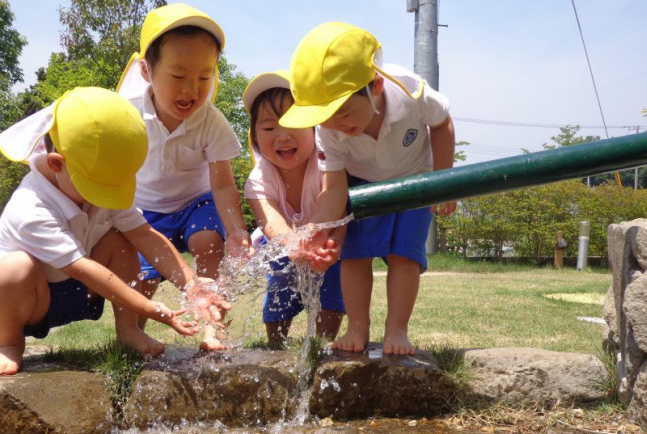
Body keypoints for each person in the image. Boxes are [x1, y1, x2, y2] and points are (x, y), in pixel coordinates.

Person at [0, 87, 231, 376]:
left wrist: (193, 287)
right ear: (56, 164)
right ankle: (8, 345)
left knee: (122, 238)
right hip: (27, 301)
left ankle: (128, 330)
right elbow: (83, 269)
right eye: (99, 188)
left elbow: (145, 235)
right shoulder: (31, 208)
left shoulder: (97, 181)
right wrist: (150, 308)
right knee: (14, 268)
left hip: (78, 295)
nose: (107, 197)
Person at [279, 22, 456, 355]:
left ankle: (397, 329)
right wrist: (317, 230)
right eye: (326, 118)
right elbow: (333, 189)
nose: (337, 125)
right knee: (354, 255)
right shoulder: (328, 129)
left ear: (374, 85)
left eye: (344, 112)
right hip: (361, 184)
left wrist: (443, 181)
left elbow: (442, 123)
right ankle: (357, 326)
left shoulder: (410, 92)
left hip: (415, 179)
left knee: (405, 255)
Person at [116, 3, 251, 351]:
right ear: (147, 71)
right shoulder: (127, 114)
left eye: (204, 77)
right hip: (145, 211)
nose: (191, 89)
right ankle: (132, 331)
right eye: (178, 76)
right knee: (142, 277)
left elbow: (222, 183)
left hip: (195, 203)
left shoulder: (211, 121)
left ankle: (213, 327)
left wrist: (236, 229)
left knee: (208, 243)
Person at [242, 71, 345, 349]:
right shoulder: (259, 180)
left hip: (325, 231)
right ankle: (276, 342)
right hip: (282, 241)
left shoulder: (326, 160)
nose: (282, 136)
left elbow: (334, 196)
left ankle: (321, 346)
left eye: (293, 123)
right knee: (279, 274)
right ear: (254, 136)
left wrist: (320, 237)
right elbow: (270, 222)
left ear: (315, 127)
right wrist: (292, 244)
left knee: (332, 273)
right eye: (268, 128)